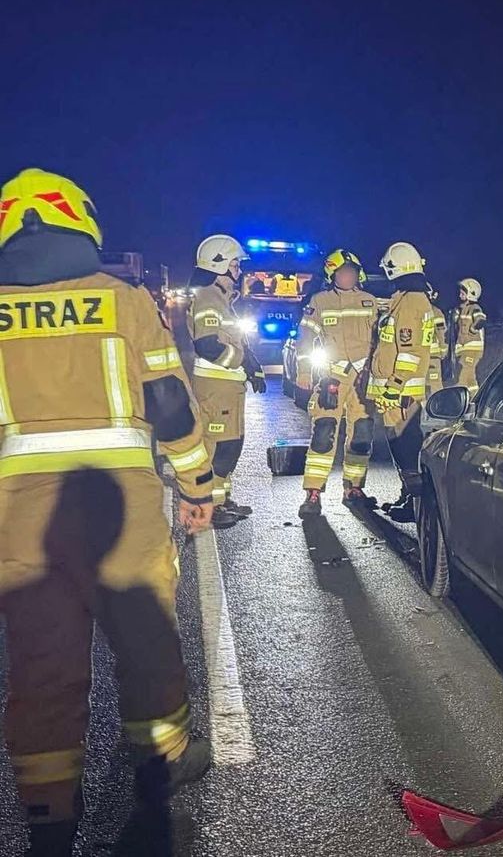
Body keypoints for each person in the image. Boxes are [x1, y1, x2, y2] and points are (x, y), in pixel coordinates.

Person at [0, 168, 216, 854]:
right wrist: (197, 487)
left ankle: (48, 816)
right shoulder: (123, 301)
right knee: (145, 639)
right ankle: (163, 765)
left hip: (19, 522)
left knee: (41, 665)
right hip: (118, 508)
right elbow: (170, 405)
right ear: (80, 221)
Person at [187, 234, 265, 527]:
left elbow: (233, 340)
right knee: (219, 447)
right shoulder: (208, 297)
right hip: (215, 387)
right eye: (234, 265)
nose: (239, 270)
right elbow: (207, 345)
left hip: (228, 387)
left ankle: (222, 500)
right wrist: (243, 361)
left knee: (231, 443)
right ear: (217, 265)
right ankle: (209, 506)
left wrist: (251, 365)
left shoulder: (222, 299)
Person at [297, 249, 381, 517]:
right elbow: (304, 339)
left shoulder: (370, 302)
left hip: (363, 379)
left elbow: (383, 340)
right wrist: (303, 372)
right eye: (342, 273)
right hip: (332, 377)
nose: (347, 276)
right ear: (332, 275)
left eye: (351, 272)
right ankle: (313, 493)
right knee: (324, 432)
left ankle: (354, 488)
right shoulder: (320, 301)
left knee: (362, 433)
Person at [368, 242, 434, 523]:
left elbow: (409, 352)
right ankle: (409, 497)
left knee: (405, 448)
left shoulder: (410, 303)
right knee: (403, 446)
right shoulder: (409, 299)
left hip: (401, 394)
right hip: (401, 393)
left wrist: (394, 387)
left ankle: (416, 505)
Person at [451, 277, 488, 394]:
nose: (460, 295)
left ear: (471, 294)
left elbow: (481, 320)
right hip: (464, 348)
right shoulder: (462, 308)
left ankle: (458, 398)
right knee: (470, 379)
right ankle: (475, 397)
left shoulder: (475, 308)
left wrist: (473, 329)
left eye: (463, 293)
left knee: (464, 375)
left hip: (472, 349)